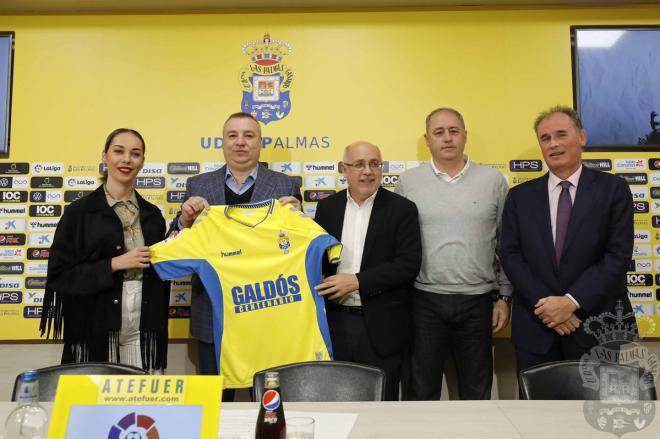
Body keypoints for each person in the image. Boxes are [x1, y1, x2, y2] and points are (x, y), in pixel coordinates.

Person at [500, 106, 636, 374]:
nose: (553, 144)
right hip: (536, 326)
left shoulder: (614, 190)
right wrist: (548, 306)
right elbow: (510, 255)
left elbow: (617, 256)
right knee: (538, 415)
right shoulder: (519, 197)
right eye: (545, 138)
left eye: (561, 134)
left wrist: (571, 302)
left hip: (597, 325)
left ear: (582, 137)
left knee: (595, 414)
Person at [169, 112, 301, 377]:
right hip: (213, 312)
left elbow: (296, 250)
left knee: (268, 402)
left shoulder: (285, 185)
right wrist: (184, 220)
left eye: (248, 135)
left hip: (268, 311)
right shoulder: (198, 184)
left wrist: (298, 222)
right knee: (215, 404)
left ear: (260, 142)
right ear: (223, 142)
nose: (240, 142)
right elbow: (175, 248)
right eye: (233, 135)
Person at [395, 108, 512, 400]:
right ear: (428, 139)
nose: (447, 138)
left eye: (454, 131)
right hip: (424, 303)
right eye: (439, 132)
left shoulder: (493, 181)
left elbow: (507, 244)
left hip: (479, 302)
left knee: (476, 393)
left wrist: (505, 297)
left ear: (464, 135)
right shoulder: (408, 183)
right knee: (421, 392)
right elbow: (397, 247)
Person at [40, 128, 169, 371]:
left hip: (143, 327)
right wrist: (114, 264)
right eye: (118, 151)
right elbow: (59, 276)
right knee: (94, 403)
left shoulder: (153, 216)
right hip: (94, 326)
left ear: (142, 162)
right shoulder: (79, 213)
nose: (126, 160)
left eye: (135, 153)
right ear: (104, 156)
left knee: (141, 402)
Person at [314, 141, 421, 401]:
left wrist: (357, 282)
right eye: (359, 164)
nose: (368, 171)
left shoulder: (402, 209)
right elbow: (317, 260)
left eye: (374, 164)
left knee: (382, 408)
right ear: (344, 169)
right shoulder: (327, 209)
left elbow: (408, 265)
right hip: (336, 323)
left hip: (383, 327)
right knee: (336, 403)